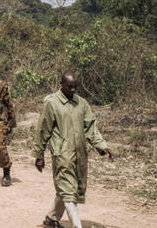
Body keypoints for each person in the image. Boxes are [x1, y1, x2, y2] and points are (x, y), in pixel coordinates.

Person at [33, 73, 114, 228]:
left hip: (80, 155)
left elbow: (90, 127)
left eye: (76, 86)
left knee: (68, 189)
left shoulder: (82, 103)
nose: (73, 89)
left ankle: (51, 219)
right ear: (61, 84)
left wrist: (102, 146)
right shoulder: (52, 104)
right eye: (69, 86)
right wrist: (39, 155)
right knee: (69, 192)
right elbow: (43, 130)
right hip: (62, 154)